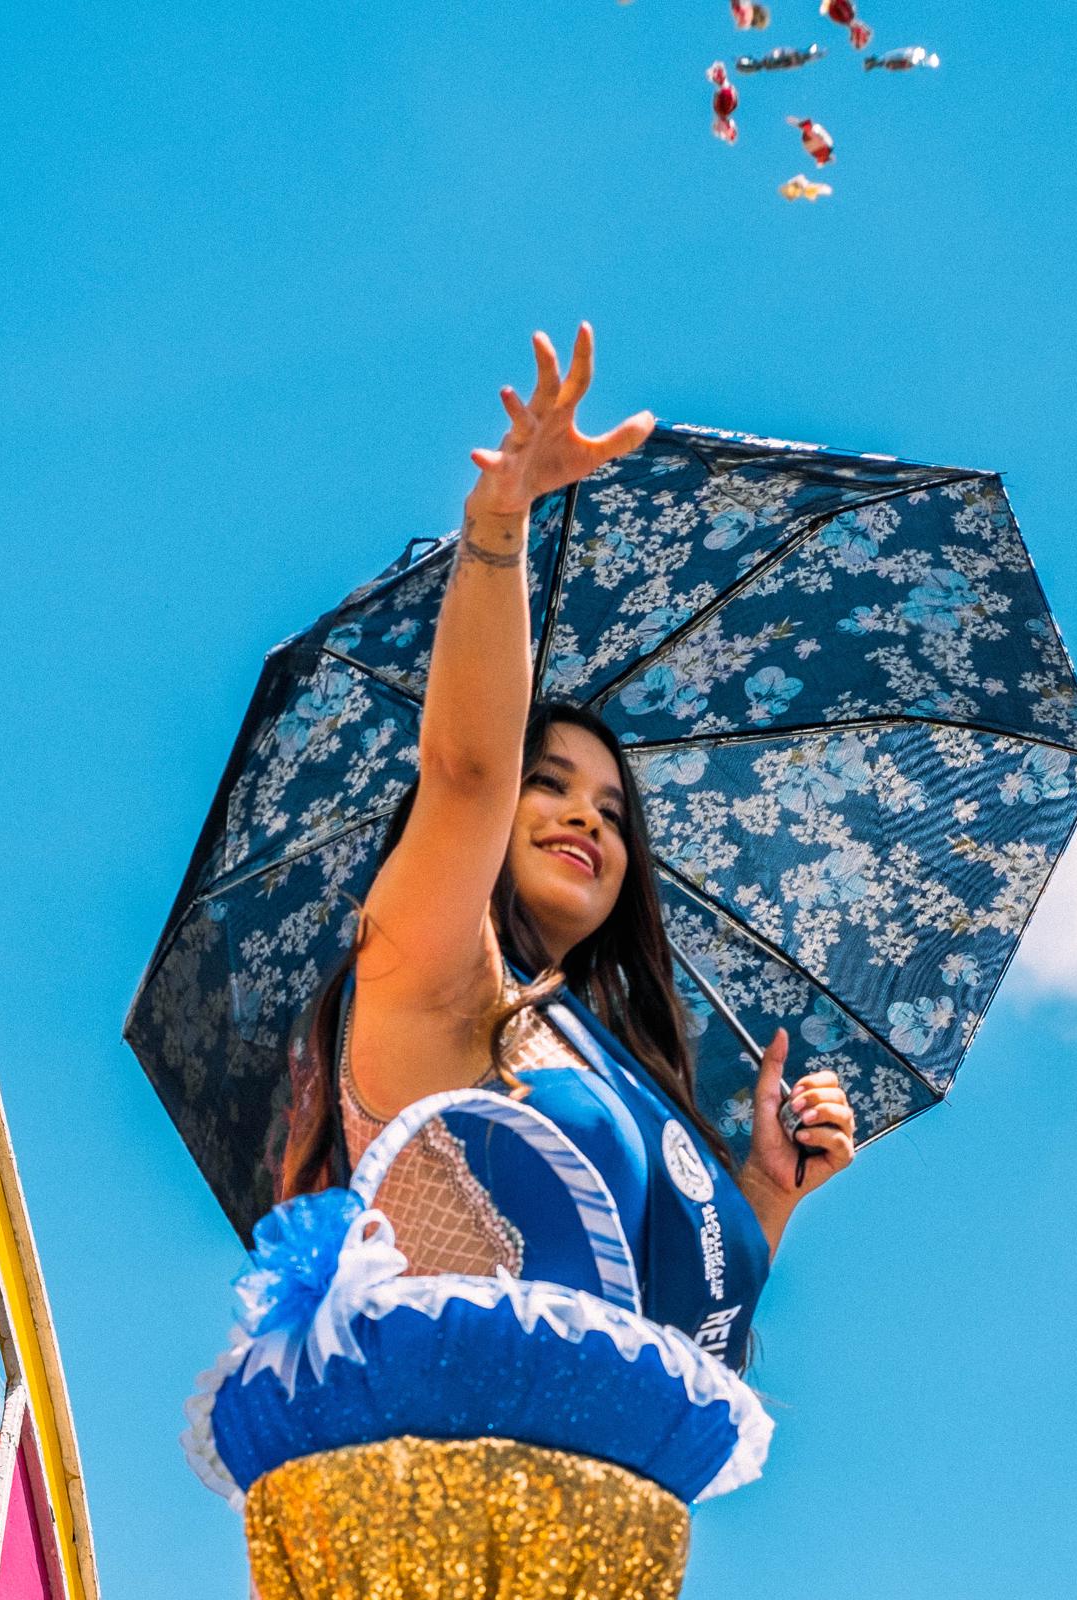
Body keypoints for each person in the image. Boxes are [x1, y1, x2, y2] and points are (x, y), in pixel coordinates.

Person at [223, 324, 856, 1599]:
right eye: (550, 784)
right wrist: (500, 525)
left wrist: (765, 1190)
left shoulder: (603, 1057)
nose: (586, 818)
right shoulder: (432, 972)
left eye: (614, 813)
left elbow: (657, 1336)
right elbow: (462, 768)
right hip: (437, 1547)